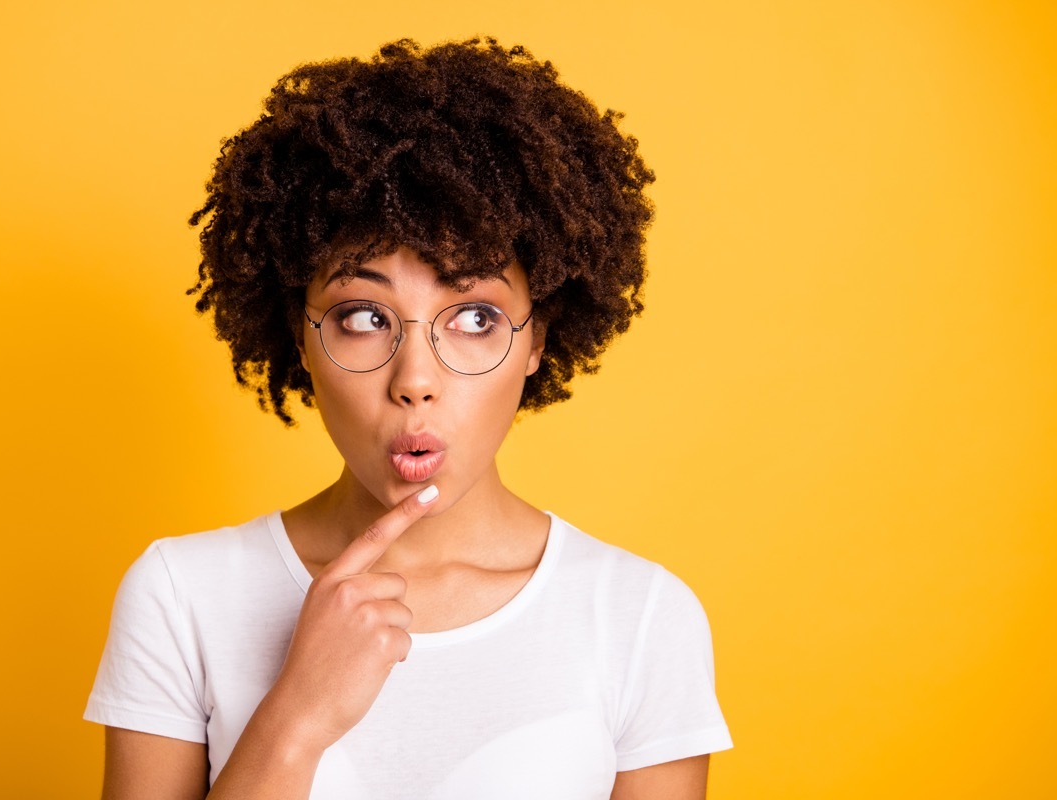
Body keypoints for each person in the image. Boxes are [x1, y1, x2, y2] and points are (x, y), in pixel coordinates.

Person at [85, 37, 732, 800]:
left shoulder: (640, 615)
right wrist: (295, 718)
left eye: (474, 317)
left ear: (538, 342)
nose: (415, 381)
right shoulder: (180, 594)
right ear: (300, 333)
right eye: (364, 316)